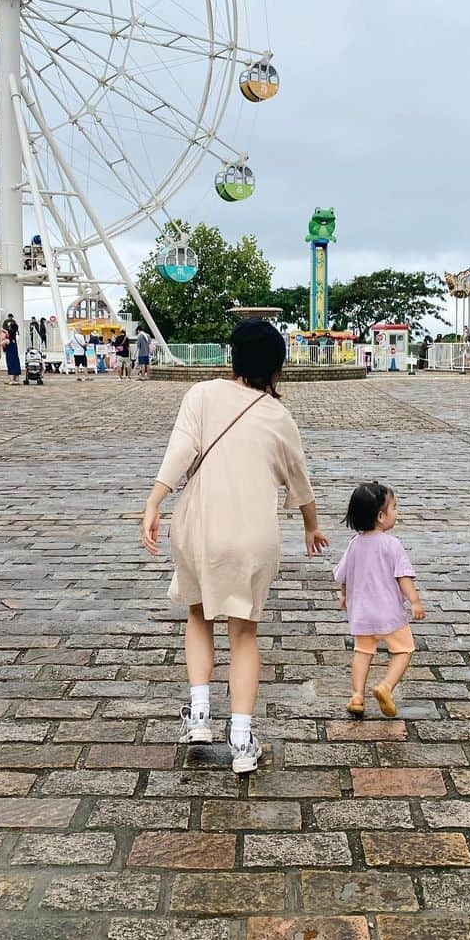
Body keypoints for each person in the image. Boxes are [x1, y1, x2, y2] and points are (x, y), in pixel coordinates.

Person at [140, 319, 327, 774]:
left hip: (201, 525)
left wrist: (154, 502)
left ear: (233, 358)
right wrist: (310, 527)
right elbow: (300, 483)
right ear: (277, 368)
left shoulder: (201, 395)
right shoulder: (279, 416)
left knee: (199, 612)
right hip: (253, 535)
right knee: (244, 633)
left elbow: (180, 452)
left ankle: (200, 714)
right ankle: (242, 741)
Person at [334, 482, 425, 719]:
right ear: (381, 516)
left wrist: (344, 594)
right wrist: (414, 601)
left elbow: (343, 575)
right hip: (390, 613)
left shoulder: (354, 544)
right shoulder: (391, 544)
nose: (397, 512)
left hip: (362, 613)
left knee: (362, 652)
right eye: (394, 507)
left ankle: (357, 696)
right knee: (404, 650)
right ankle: (385, 686)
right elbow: (402, 576)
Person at [4, 314, 21, 385]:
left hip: (10, 351)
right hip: (15, 350)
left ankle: (11, 380)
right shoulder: (15, 336)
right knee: (16, 363)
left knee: (10, 364)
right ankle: (17, 380)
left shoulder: (8, 339)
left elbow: (0, 343)